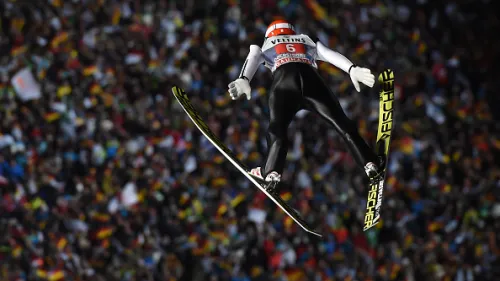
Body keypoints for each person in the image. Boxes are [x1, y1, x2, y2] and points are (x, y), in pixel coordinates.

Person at [228, 19, 383, 187]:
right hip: (311, 80)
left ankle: (271, 171)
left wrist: (243, 79)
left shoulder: (267, 43)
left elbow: (254, 54)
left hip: (284, 82)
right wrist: (352, 69)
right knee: (341, 122)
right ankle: (369, 163)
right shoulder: (304, 38)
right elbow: (328, 53)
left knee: (277, 127)